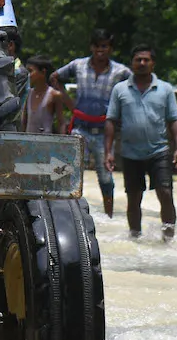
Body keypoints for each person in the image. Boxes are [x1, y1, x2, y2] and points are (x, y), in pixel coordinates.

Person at [105, 46, 177, 241]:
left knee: (165, 192)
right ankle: (135, 238)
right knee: (134, 197)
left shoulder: (165, 89)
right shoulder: (120, 89)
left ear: (153, 63)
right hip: (130, 152)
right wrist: (109, 152)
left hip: (159, 151)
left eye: (145, 60)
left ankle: (168, 238)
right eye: (138, 60)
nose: (141, 63)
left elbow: (174, 119)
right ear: (132, 63)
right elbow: (111, 120)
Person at [55, 31, 129, 216]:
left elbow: (133, 88)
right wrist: (70, 104)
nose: (100, 50)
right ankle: (69, 214)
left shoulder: (121, 71)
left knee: (106, 177)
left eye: (104, 46)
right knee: (70, 172)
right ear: (92, 47)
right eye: (97, 46)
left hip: (105, 132)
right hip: (80, 128)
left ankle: (109, 216)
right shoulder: (78, 65)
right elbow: (54, 77)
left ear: (110, 49)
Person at [22, 55, 72, 135]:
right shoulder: (29, 94)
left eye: (30, 71)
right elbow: (24, 121)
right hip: (28, 143)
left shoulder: (54, 95)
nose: (28, 75)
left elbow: (61, 122)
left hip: (46, 143)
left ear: (43, 72)